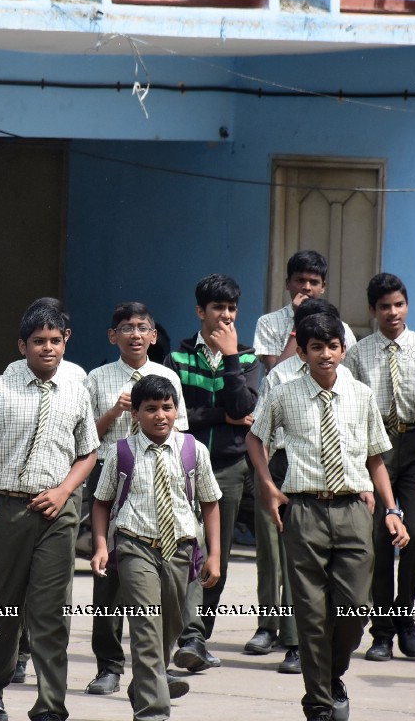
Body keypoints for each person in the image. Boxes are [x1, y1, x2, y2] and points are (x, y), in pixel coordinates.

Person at [247, 313, 409, 721]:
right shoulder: (284, 394)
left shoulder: (361, 394)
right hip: (304, 510)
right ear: (301, 351)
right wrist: (267, 485)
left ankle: (332, 675)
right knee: (311, 613)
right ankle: (319, 702)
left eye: (332, 346)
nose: (325, 354)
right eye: (315, 347)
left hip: (355, 509)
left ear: (343, 349)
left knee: (355, 608)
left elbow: (375, 457)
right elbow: (255, 438)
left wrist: (391, 510)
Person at [0, 301, 99, 721]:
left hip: (56, 513)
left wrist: (64, 492)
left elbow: (88, 453)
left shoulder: (77, 391)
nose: (48, 348)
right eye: (38, 341)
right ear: (22, 345)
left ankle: (50, 706)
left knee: (49, 612)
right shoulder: (1, 387)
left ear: (66, 342)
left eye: (55, 341)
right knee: (3, 609)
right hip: (7, 508)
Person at [90, 375, 221, 719]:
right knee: (146, 627)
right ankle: (153, 711)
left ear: (177, 410)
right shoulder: (122, 452)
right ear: (135, 413)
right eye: (150, 409)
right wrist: (102, 545)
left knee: (172, 625)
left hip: (180, 548)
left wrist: (216, 555)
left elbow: (210, 503)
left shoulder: (194, 450)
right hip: (136, 546)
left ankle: (145, 682)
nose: (160, 415)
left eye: (167, 407)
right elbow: (102, 503)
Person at [83, 302, 189, 695]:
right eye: (126, 327)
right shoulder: (97, 378)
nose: (134, 333)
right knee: (108, 574)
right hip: (112, 479)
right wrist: (113, 413)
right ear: (113, 336)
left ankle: (157, 664)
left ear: (153, 335)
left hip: (159, 478)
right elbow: (86, 436)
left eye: (142, 326)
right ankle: (109, 664)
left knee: (163, 579)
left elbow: (182, 431)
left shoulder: (166, 377)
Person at [344, 273, 415, 662]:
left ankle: (405, 615)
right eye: (384, 306)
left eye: (398, 304)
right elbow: (349, 411)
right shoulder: (357, 354)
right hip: (375, 448)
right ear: (372, 310)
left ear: (407, 305)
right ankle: (381, 629)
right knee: (379, 540)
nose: (392, 312)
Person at [248, 298, 347, 674]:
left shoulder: (346, 377)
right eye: (312, 339)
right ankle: (266, 625)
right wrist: (268, 482)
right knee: (271, 553)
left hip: (325, 469)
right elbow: (260, 432)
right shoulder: (281, 376)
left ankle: (296, 641)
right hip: (281, 464)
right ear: (300, 339)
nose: (323, 349)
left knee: (300, 559)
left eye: (329, 339)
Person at [168, 275, 259, 673]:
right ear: (200, 311)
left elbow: (245, 402)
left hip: (228, 468)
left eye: (231, 308)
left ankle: (199, 637)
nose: (225, 315)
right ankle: (185, 633)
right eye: (217, 308)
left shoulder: (249, 358)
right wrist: (225, 416)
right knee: (187, 549)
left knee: (215, 557)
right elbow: (178, 417)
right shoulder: (178, 358)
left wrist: (231, 358)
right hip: (184, 465)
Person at [253, 250, 357, 372]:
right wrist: (300, 319)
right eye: (300, 280)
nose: (306, 288)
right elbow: (274, 374)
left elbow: (350, 373)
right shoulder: (268, 323)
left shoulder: (341, 328)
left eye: (313, 282)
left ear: (322, 287)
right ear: (288, 283)